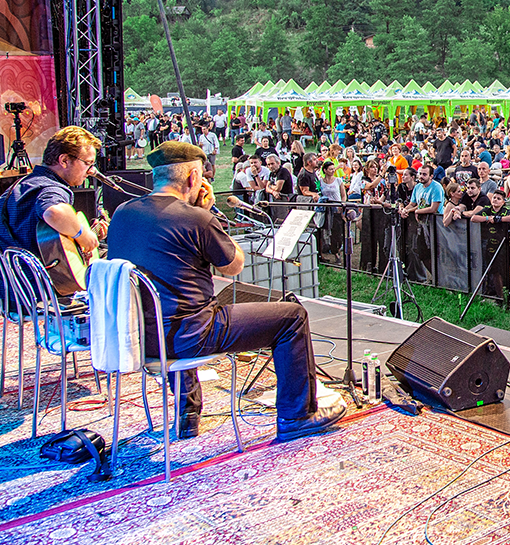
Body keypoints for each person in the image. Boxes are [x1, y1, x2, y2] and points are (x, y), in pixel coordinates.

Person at [106, 142, 344, 441]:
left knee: (174, 307)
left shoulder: (123, 213)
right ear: (194, 178)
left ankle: (187, 413)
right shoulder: (195, 218)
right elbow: (233, 266)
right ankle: (297, 415)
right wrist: (207, 215)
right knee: (292, 316)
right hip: (192, 335)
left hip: (139, 336)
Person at [0, 126, 106, 268]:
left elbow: (45, 241)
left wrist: (83, 238)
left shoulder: (23, 185)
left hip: (12, 284)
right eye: (87, 163)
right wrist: (83, 234)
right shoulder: (52, 188)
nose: (92, 170)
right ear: (64, 160)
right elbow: (54, 212)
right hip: (36, 286)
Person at [471, 190, 510, 297]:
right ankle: (497, 295)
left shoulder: (505, 211)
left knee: (504, 271)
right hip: (490, 246)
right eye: (494, 197)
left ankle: (505, 295)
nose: (495, 200)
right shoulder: (487, 210)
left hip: (504, 246)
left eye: (498, 199)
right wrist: (487, 218)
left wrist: (498, 219)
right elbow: (474, 218)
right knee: (493, 271)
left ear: (503, 202)